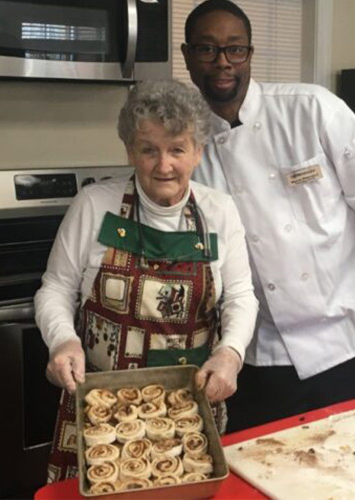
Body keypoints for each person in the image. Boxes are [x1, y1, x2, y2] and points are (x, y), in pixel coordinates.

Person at [181, 0, 355, 432]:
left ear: (250, 54)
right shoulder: (187, 144)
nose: (223, 62)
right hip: (261, 353)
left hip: (354, 336)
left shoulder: (310, 108)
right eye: (207, 50)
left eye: (235, 49)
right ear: (188, 57)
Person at [34, 79, 258, 482]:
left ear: (199, 152)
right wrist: (62, 340)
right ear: (129, 151)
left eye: (177, 149)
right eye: (148, 149)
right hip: (102, 407)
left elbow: (241, 295)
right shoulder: (94, 205)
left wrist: (231, 354)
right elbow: (57, 288)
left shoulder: (219, 211)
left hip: (191, 410)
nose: (163, 165)